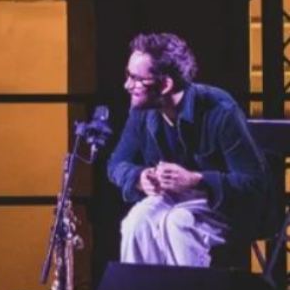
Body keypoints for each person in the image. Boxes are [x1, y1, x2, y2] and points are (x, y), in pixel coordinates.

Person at [107, 33, 267, 267]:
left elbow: (253, 183)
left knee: (179, 222)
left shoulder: (220, 110)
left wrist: (197, 180)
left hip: (223, 205)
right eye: (127, 75)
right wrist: (139, 178)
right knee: (137, 221)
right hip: (173, 201)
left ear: (165, 84)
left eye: (135, 78)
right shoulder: (141, 111)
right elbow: (116, 164)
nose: (127, 85)